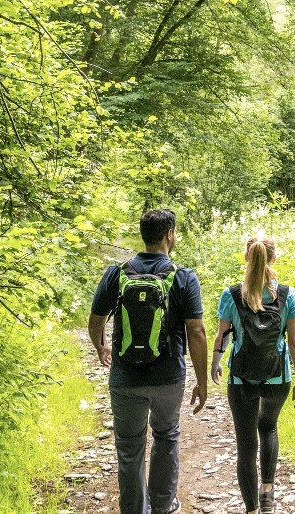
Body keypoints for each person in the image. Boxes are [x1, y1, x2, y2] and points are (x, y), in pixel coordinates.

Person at [88, 208, 208, 514]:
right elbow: (196, 332)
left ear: (144, 235)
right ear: (169, 234)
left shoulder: (117, 274)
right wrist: (202, 381)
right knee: (166, 436)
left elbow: (95, 321)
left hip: (125, 378)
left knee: (129, 446)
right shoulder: (183, 277)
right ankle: (164, 506)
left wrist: (102, 348)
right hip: (168, 377)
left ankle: (134, 510)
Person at [211, 235, 295, 514]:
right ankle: (267, 493)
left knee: (246, 444)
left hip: (241, 379)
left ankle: (252, 509)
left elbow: (222, 336)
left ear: (246, 258)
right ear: (273, 259)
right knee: (269, 428)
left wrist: (215, 362)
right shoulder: (287, 294)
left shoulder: (231, 294)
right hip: (278, 377)